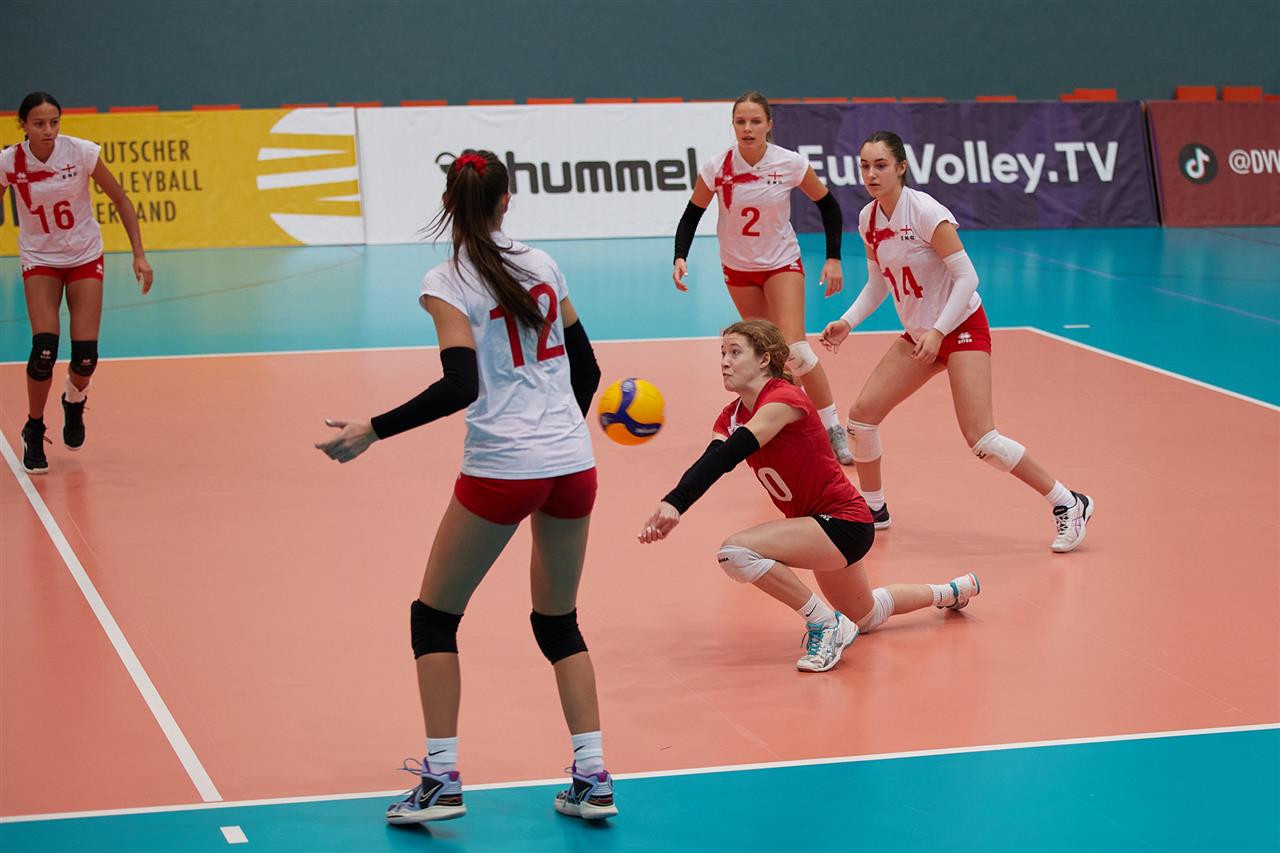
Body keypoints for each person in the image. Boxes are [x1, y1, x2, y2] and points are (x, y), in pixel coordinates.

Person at [315, 150, 617, 823]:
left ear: (451, 204)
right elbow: (588, 368)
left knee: (434, 617)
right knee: (558, 621)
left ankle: (441, 780)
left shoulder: (446, 279)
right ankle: (593, 776)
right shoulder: (543, 264)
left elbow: (461, 385)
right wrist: (557, 433)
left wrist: (372, 429)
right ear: (507, 201)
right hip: (572, 465)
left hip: (503, 468)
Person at [639, 319, 981, 673]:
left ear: (764, 359)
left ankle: (826, 624)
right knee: (865, 617)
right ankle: (950, 591)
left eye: (735, 352)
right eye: (722, 353)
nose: (725, 361)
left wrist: (675, 502)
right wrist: (675, 502)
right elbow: (711, 457)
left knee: (736, 552)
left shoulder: (783, 398)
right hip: (818, 528)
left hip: (843, 523)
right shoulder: (731, 416)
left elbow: (730, 454)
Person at [820, 131, 1094, 552]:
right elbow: (878, 283)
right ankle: (874, 509)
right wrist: (848, 321)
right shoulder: (868, 220)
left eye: (880, 165)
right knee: (861, 419)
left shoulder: (926, 212)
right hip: (921, 335)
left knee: (982, 439)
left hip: (961, 326)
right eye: (865, 166)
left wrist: (939, 330)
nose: (871, 174)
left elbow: (968, 277)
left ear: (901, 168)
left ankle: (1069, 502)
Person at [672, 91, 855, 465]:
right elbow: (692, 214)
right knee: (766, 356)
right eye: (741, 122)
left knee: (796, 350)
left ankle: (833, 427)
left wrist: (833, 258)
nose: (748, 128)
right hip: (738, 269)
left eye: (755, 121)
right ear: (733, 125)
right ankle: (787, 423)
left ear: (769, 124)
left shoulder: (789, 163)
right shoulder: (717, 167)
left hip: (780, 263)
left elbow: (828, 206)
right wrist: (680, 256)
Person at [1, 92, 153, 474]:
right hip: (40, 259)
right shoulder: (9, 161)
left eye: (54, 122)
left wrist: (139, 254)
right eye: (39, 124)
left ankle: (73, 401)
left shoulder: (81, 152)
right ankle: (34, 428)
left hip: (84, 255)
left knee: (86, 357)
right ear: (23, 125)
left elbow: (120, 199)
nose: (48, 130)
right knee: (44, 350)